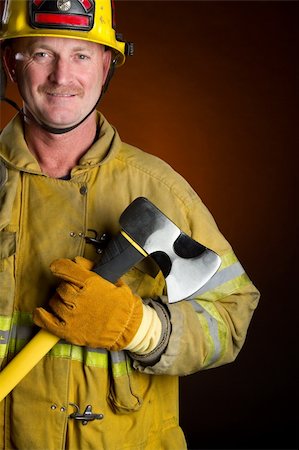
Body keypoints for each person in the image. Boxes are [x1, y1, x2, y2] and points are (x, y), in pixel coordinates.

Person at [0, 1, 260, 449]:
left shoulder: (160, 189)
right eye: (43, 53)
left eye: (81, 55)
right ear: (11, 62)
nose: (62, 77)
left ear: (107, 64)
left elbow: (232, 318)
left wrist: (140, 328)